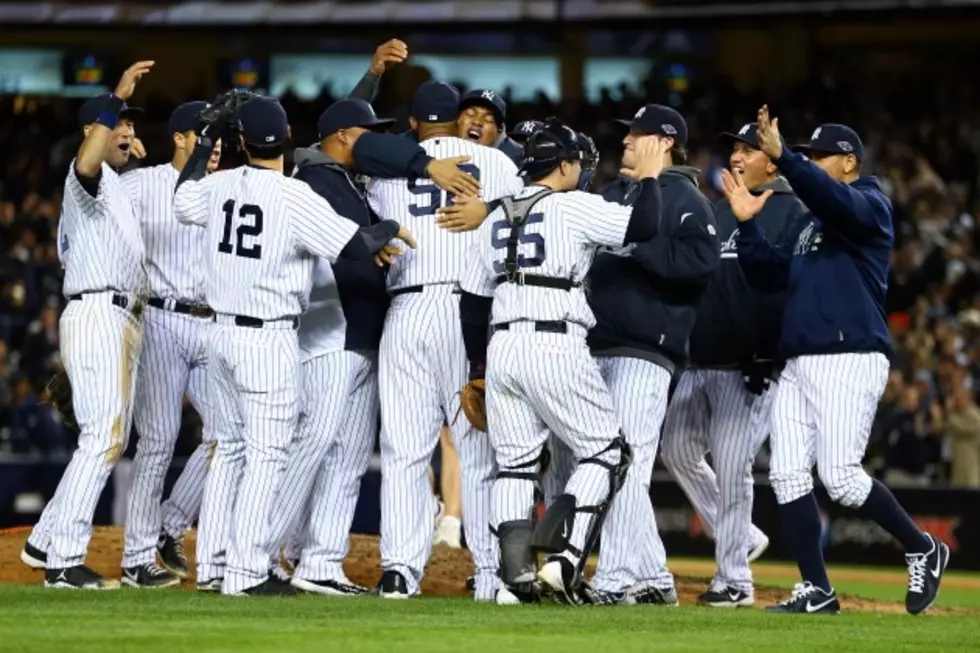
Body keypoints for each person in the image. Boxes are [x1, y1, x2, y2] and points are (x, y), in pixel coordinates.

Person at [173, 95, 414, 596]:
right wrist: (389, 227)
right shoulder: (293, 196)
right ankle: (245, 572)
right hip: (267, 336)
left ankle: (214, 565)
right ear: (286, 138)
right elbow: (355, 247)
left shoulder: (218, 185)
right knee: (266, 454)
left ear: (239, 142)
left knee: (231, 448)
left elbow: (181, 199)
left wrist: (204, 146)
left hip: (218, 334)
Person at [728, 108, 949, 615]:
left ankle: (922, 546)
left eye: (818, 157)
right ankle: (818, 589)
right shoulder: (810, 223)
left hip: (849, 355)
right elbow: (768, 276)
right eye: (806, 157)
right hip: (799, 361)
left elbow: (830, 198)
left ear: (849, 162)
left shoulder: (871, 206)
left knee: (843, 478)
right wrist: (746, 229)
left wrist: (783, 157)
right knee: (785, 475)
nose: (810, 164)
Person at [457, 120, 664, 605]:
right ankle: (565, 560)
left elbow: (471, 302)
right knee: (606, 453)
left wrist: (478, 368)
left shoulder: (494, 214)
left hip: (502, 345)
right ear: (565, 165)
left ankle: (514, 581)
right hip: (554, 339)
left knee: (514, 465)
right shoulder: (573, 206)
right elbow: (645, 226)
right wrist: (651, 177)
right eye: (578, 163)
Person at [366, 81, 524, 601]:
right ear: (457, 119)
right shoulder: (494, 162)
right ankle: (489, 572)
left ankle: (397, 572)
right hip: (467, 310)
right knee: (476, 449)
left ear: (413, 122)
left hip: (405, 309)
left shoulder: (392, 164)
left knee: (405, 451)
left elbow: (356, 149)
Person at [659, 121, 807, 607]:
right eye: (735, 148)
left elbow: (789, 290)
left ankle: (735, 580)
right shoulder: (718, 209)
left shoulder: (793, 210)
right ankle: (741, 533)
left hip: (750, 363)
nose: (738, 156)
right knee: (676, 448)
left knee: (733, 467)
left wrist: (769, 351)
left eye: (749, 148)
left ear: (771, 157)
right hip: (702, 357)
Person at [20, 61, 154, 590]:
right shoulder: (84, 181)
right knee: (102, 439)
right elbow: (87, 164)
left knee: (105, 438)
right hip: (99, 311)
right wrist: (114, 96)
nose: (128, 130)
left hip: (114, 315)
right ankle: (63, 562)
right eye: (119, 122)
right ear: (92, 131)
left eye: (132, 124)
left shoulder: (115, 188)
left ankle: (42, 539)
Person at [581, 105, 721, 605]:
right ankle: (656, 579)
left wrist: (638, 250)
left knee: (628, 466)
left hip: (646, 351)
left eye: (635, 135)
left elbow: (702, 264)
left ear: (664, 141)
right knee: (609, 464)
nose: (625, 141)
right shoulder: (614, 194)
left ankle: (614, 580)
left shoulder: (687, 199)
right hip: (594, 346)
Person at [264, 97, 393, 596]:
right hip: (328, 329)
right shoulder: (316, 181)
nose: (374, 141)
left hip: (361, 333)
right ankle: (260, 551)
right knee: (314, 439)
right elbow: (348, 245)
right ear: (341, 136)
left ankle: (320, 561)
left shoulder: (345, 181)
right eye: (365, 133)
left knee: (350, 454)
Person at [116, 101, 222, 589]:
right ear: (179, 138)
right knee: (157, 441)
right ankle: (137, 557)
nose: (215, 143)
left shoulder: (227, 188)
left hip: (215, 323)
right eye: (205, 134)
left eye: (218, 135)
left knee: (229, 433)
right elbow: (90, 209)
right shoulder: (141, 184)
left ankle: (169, 526)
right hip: (160, 318)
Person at [457, 89, 524, 163]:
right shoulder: (443, 149)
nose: (477, 122)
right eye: (471, 114)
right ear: (459, 119)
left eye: (488, 119)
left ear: (499, 131)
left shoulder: (513, 162)